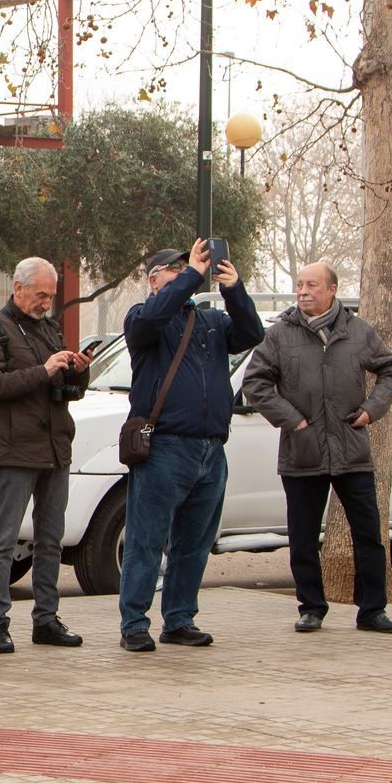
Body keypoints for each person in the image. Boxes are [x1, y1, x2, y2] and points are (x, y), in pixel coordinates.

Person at [240, 263, 392, 635]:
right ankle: (311, 607)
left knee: (368, 535)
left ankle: (372, 610)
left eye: (312, 285)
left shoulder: (358, 331)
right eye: (299, 284)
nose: (303, 291)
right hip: (303, 451)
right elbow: (255, 383)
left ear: (332, 289)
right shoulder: (280, 335)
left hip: (352, 450)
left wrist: (371, 410)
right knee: (302, 537)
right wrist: (293, 420)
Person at [118, 240, 264, 652]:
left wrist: (234, 289)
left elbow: (252, 333)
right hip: (165, 447)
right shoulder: (143, 318)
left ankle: (179, 619)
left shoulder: (210, 321)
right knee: (147, 540)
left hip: (210, 449)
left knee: (194, 544)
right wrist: (192, 278)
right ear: (153, 280)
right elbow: (154, 317)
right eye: (176, 268)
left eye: (190, 267)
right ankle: (134, 624)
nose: (187, 271)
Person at [0, 256, 89, 654]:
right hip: (17, 450)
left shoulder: (50, 328)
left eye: (50, 296)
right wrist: (45, 369)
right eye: (40, 295)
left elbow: (65, 389)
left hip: (55, 448)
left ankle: (46, 620)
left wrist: (78, 370)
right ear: (17, 288)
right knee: (3, 540)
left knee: (51, 540)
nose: (46, 303)